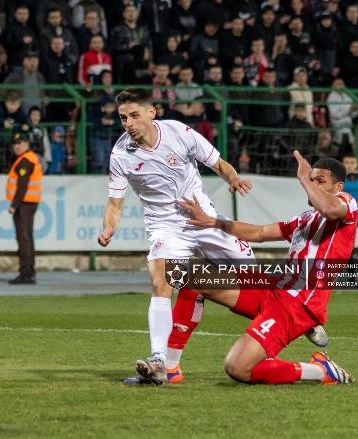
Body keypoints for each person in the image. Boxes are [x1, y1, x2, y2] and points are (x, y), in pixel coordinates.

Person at [98, 88, 254, 385]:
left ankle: (292, 316)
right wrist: (109, 228)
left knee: (253, 283)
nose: (128, 123)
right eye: (122, 118)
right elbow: (114, 204)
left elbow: (218, 163)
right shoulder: (120, 154)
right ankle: (159, 360)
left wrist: (233, 178)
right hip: (165, 228)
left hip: (204, 219)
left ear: (151, 112)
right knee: (161, 282)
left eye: (133, 115)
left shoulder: (179, 132)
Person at [175, 152, 356, 385]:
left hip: (297, 304)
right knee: (194, 278)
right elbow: (259, 233)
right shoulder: (305, 219)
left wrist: (304, 179)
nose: (312, 185)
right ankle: (169, 366)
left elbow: (330, 209)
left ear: (338, 186)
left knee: (238, 367)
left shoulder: (346, 204)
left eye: (320, 181)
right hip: (274, 287)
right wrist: (213, 222)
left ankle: (320, 371)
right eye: (311, 180)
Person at [6, 134, 42, 285]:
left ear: (27, 143)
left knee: (24, 238)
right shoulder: (29, 158)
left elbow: (22, 186)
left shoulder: (25, 161)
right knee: (27, 237)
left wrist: (14, 205)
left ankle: (26, 273)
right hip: (29, 203)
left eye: (19, 143)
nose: (16, 146)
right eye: (14, 143)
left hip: (24, 205)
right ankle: (29, 272)